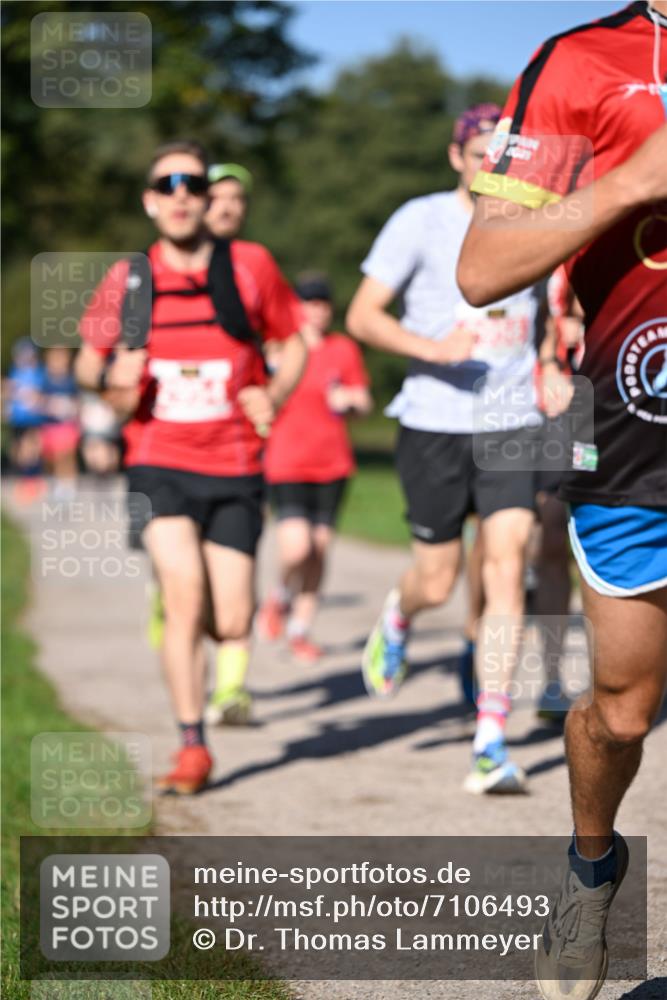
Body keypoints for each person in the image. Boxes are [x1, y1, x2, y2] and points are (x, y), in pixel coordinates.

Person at [457, 3, 666, 996]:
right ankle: (591, 870)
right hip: (634, 432)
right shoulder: (580, 63)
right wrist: (631, 181)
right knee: (623, 713)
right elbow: (484, 265)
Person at [75, 139, 306, 795]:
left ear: (207, 200)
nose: (179, 194)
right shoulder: (129, 279)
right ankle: (191, 745)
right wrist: (110, 382)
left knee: (230, 620)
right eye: (166, 184)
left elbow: (292, 344)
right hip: (158, 461)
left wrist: (275, 393)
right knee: (184, 598)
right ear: (150, 202)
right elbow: (89, 362)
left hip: (235, 463)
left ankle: (207, 654)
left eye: (192, 184)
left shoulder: (251, 266)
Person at [347, 104, 551, 795]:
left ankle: (490, 738)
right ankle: (400, 615)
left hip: (512, 418)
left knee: (507, 563)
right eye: (478, 153)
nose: (490, 165)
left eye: (504, 155)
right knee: (436, 579)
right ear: (455, 156)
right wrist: (432, 349)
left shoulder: (541, 217)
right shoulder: (420, 219)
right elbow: (362, 314)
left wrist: (557, 353)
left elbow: (562, 308)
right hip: (434, 421)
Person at [258, 273, 372, 662]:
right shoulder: (279, 350)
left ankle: (300, 629)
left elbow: (364, 401)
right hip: (287, 461)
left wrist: (351, 401)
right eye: (308, 302)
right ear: (295, 307)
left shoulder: (343, 350)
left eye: (322, 303)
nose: (316, 310)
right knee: (296, 548)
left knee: (319, 551)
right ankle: (280, 595)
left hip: (332, 464)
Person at [4, 338, 47, 503]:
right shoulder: (14, 372)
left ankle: (32, 480)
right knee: (18, 452)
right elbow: (10, 393)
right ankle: (27, 479)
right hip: (17, 418)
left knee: (30, 450)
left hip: (33, 418)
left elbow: (41, 395)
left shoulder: (39, 373)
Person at [40, 346, 81, 500]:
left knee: (66, 455)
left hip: (68, 425)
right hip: (50, 425)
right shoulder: (45, 380)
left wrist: (71, 409)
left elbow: (78, 402)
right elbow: (39, 399)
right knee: (52, 458)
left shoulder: (71, 380)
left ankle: (68, 484)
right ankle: (58, 481)